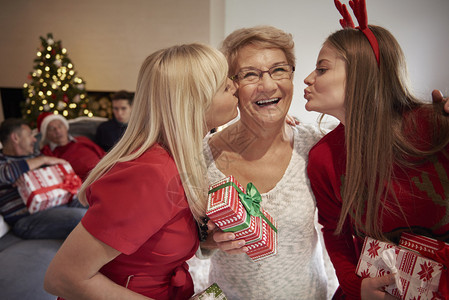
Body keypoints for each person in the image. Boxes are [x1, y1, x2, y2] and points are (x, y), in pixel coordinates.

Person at [44, 43, 239, 300]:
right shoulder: (150, 174)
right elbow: (63, 277)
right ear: (195, 103)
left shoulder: (183, 158)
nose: (236, 86)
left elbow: (149, 239)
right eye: (225, 86)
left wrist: (205, 240)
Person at [304, 1, 449, 299]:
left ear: (362, 72)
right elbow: (335, 232)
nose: (307, 79)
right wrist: (357, 288)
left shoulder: (436, 127)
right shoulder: (322, 157)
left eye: (321, 68)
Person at [198, 25, 336, 299]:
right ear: (232, 85)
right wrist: (208, 240)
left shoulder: (316, 146)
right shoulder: (203, 155)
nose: (269, 85)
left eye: (279, 70)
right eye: (250, 74)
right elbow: (187, 236)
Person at [0, 118, 86, 239]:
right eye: (30, 135)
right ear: (15, 138)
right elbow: (8, 173)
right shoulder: (3, 161)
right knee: (82, 217)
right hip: (28, 219)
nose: (34, 139)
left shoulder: (34, 155)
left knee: (97, 203)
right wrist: (44, 160)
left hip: (60, 204)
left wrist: (28, 173)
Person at [38, 112, 105, 181]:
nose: (58, 131)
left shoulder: (82, 140)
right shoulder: (48, 154)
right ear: (46, 134)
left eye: (60, 126)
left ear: (66, 127)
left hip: (105, 172)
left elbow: (104, 155)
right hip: (85, 184)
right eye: (52, 129)